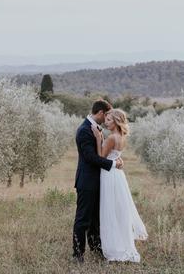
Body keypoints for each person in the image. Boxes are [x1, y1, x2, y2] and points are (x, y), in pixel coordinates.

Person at [93, 108, 148, 262]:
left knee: (110, 210)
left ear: (117, 121)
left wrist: (98, 138)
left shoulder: (111, 138)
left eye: (109, 120)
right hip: (118, 175)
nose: (106, 122)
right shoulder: (122, 136)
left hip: (109, 175)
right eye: (106, 119)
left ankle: (114, 247)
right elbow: (115, 156)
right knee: (119, 210)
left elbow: (101, 157)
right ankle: (122, 243)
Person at [71, 99, 123, 263]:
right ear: (100, 113)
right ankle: (78, 255)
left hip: (98, 181)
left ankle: (96, 249)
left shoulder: (95, 129)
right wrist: (113, 164)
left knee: (95, 220)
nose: (106, 119)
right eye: (106, 115)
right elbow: (91, 158)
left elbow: (102, 152)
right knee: (83, 219)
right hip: (87, 182)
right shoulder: (84, 130)